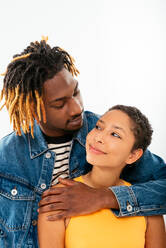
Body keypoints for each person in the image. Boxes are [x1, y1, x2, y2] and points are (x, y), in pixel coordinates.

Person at [0, 38, 165, 247]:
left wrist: (103, 198)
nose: (76, 107)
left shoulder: (99, 132)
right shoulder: (6, 158)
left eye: (75, 92)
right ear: (34, 110)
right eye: (60, 103)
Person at [37, 105, 166, 248]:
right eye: (98, 127)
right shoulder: (59, 198)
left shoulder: (147, 206)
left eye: (115, 134)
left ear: (132, 155)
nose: (99, 137)